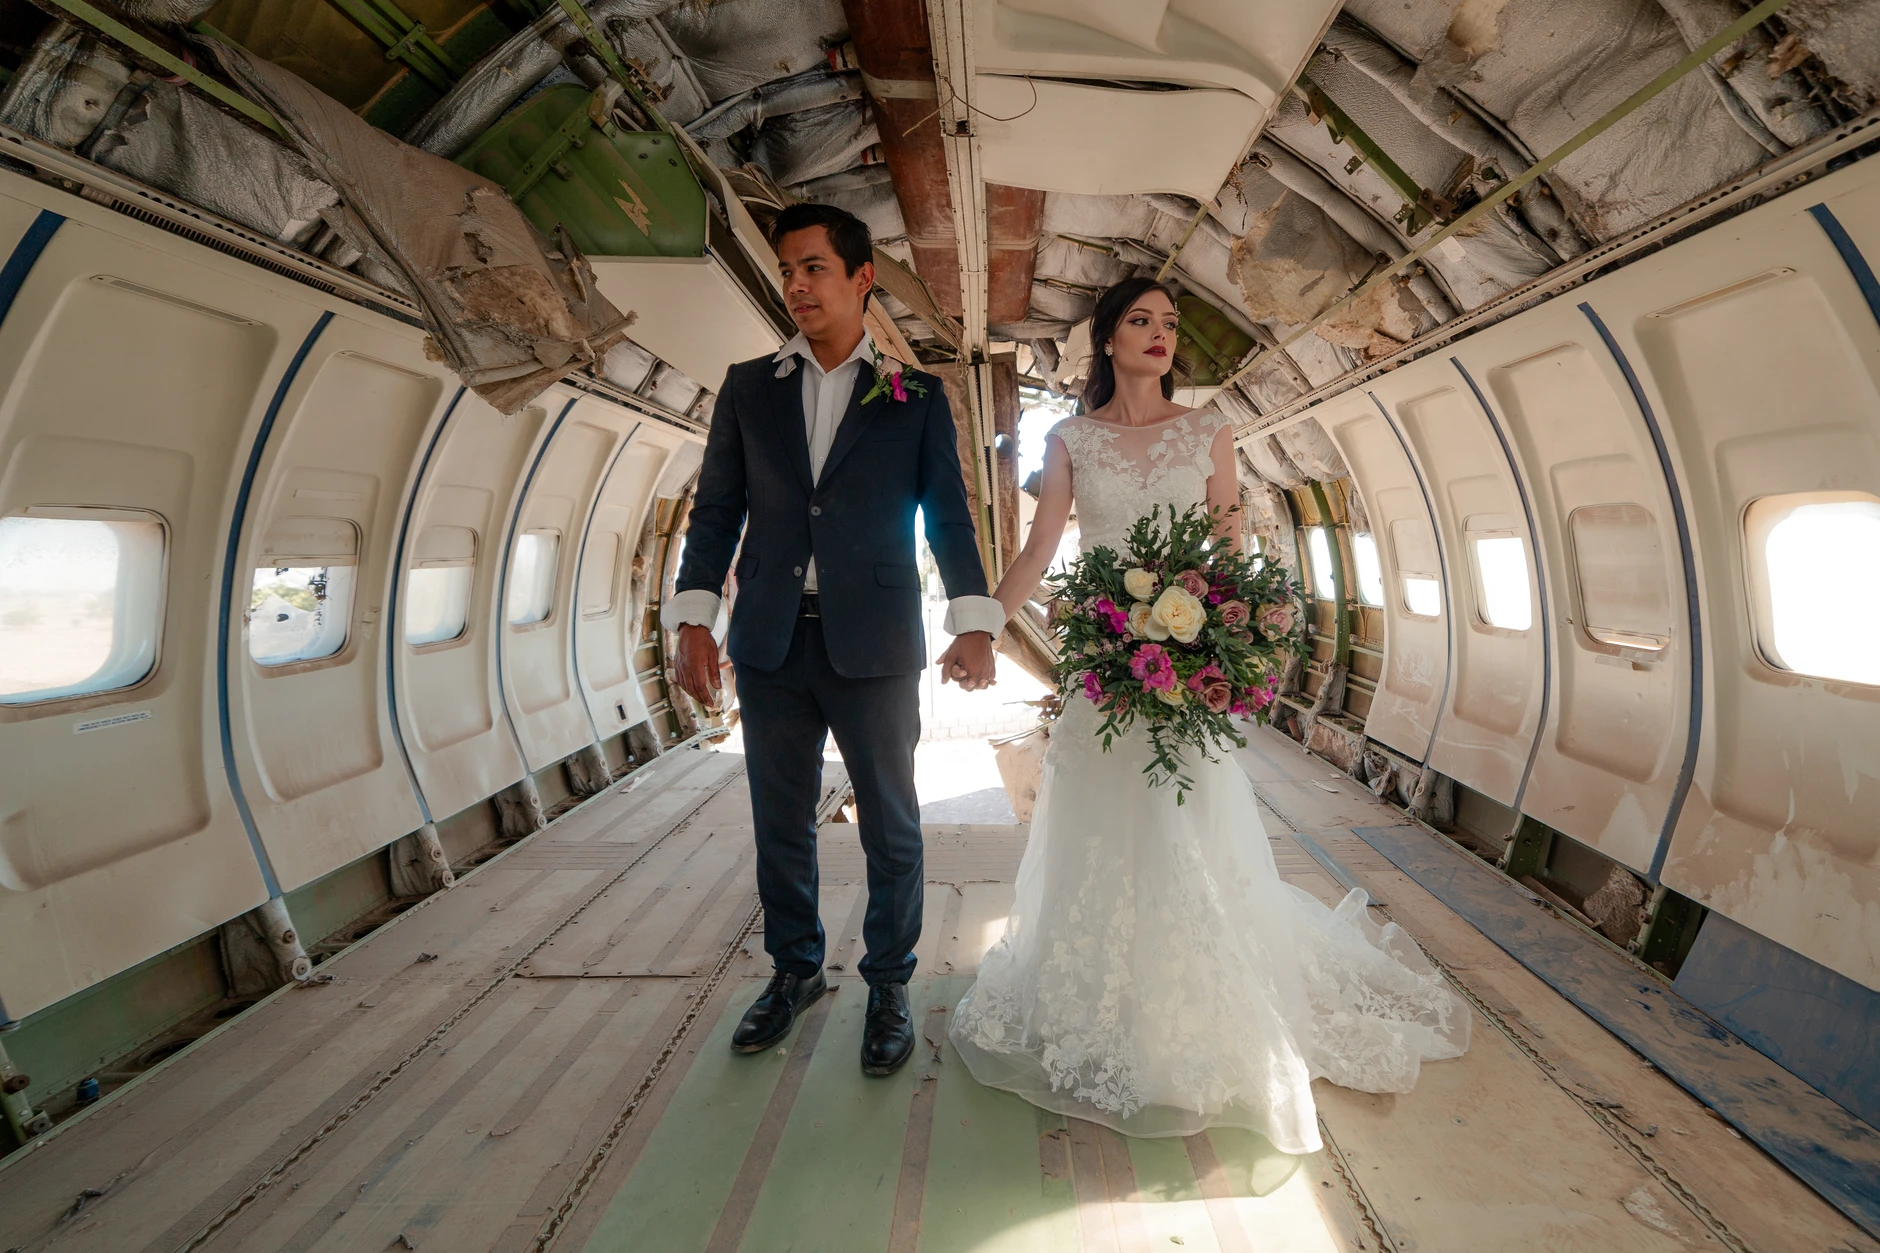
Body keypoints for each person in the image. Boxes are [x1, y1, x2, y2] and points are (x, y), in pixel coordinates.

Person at [947, 277, 1470, 1152]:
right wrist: (980, 628)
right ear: (1107, 339)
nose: (1159, 335)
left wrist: (1223, 640)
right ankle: (1105, 999)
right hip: (1107, 671)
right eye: (1141, 321)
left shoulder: (1210, 430)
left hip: (1186, 666)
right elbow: (1040, 550)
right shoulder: (1071, 439)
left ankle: (1205, 993)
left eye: (1169, 323)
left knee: (1186, 826)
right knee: (1104, 827)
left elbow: (1232, 549)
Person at [662, 202, 1005, 1076]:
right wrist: (694, 616)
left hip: (876, 639)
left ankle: (888, 983)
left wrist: (974, 624)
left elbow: (950, 520)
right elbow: (717, 511)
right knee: (780, 819)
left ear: (862, 280)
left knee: (892, 822)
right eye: (787, 270)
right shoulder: (747, 388)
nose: (796, 284)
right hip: (772, 639)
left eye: (814, 267)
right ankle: (795, 971)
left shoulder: (915, 396)